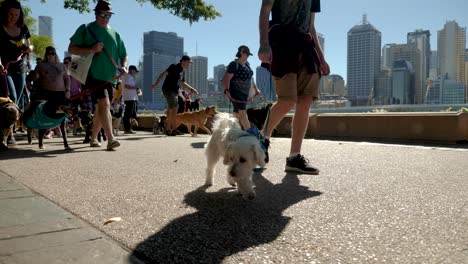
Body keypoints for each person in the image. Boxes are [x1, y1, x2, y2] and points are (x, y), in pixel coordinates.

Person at [258, 0, 330, 174]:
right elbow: (265, 10)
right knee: (287, 100)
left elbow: (311, 26)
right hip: (282, 42)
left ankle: (294, 157)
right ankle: (262, 138)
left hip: (306, 46)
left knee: (306, 100)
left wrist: (321, 58)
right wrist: (264, 44)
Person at [68, 0, 128, 150]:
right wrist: (91, 49)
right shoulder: (86, 28)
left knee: (100, 108)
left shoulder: (116, 34)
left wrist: (124, 66)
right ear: (96, 13)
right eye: (103, 14)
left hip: (110, 77)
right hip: (91, 74)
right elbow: (71, 49)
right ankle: (111, 139)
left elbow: (124, 55)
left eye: (109, 15)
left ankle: (93, 138)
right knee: (105, 104)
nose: (106, 17)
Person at [0, 0, 33, 144]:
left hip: (20, 69)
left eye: (17, 14)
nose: (13, 17)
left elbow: (29, 43)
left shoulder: (23, 28)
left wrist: (29, 48)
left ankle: (9, 132)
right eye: (11, 14)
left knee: (17, 101)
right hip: (3, 69)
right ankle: (5, 133)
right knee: (11, 97)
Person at [151, 55, 198, 136]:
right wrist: (156, 84)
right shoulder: (174, 67)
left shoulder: (182, 71)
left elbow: (183, 83)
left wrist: (191, 89)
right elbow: (163, 74)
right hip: (168, 89)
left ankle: (169, 129)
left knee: (171, 110)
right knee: (175, 108)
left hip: (175, 91)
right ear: (183, 61)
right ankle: (172, 129)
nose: (189, 64)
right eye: (188, 62)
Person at [223, 45, 261, 130]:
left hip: (245, 93)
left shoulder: (247, 64)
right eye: (246, 54)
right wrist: (227, 90)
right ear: (241, 53)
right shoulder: (234, 64)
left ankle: (230, 131)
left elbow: (251, 79)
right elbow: (227, 79)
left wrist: (256, 89)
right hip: (236, 92)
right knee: (243, 112)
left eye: (248, 55)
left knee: (236, 113)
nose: (248, 56)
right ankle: (249, 132)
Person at [122, 65, 139, 134]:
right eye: (135, 71)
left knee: (130, 114)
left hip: (131, 98)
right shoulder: (128, 77)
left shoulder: (130, 77)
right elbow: (126, 86)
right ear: (131, 70)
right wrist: (135, 87)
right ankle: (127, 129)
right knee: (128, 114)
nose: (135, 72)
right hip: (129, 98)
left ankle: (128, 128)